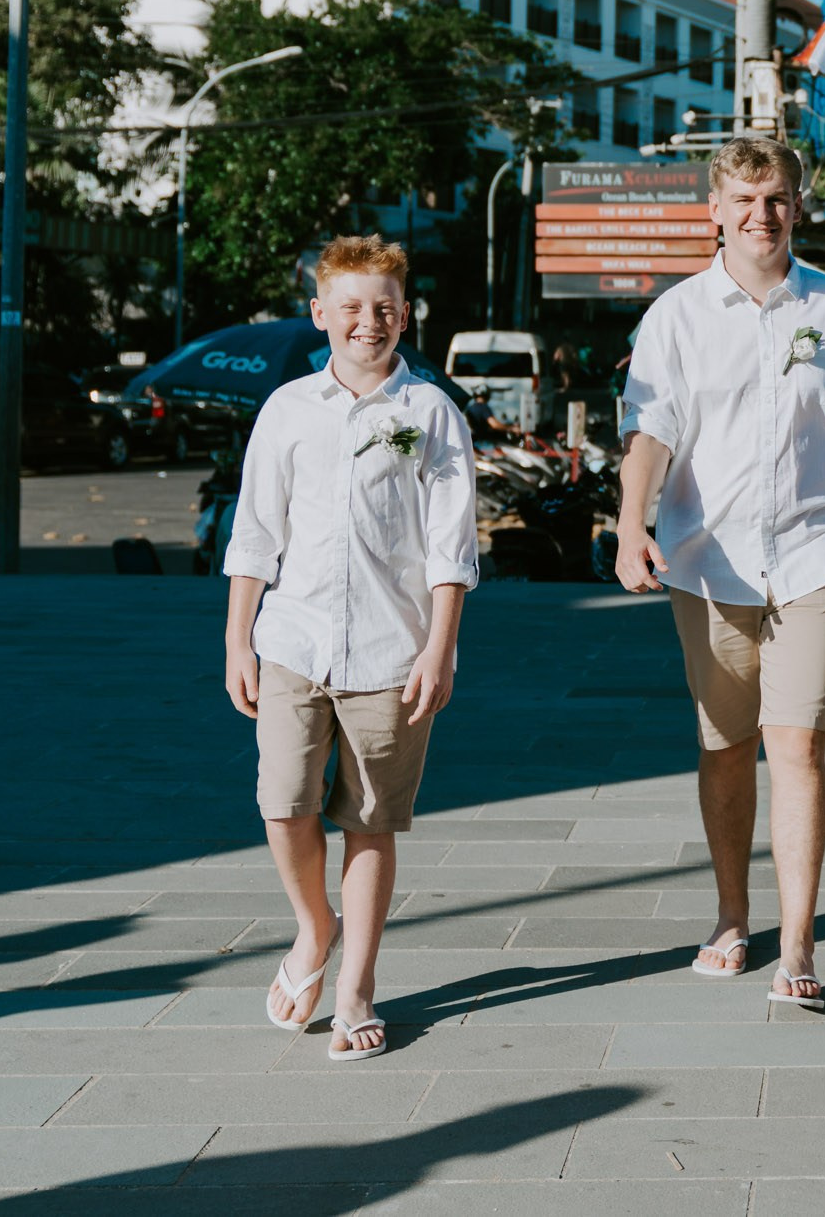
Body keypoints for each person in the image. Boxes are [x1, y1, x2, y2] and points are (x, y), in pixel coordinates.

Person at [616, 136, 825, 1009]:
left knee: (798, 743)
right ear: (714, 210)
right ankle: (731, 913)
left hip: (816, 552)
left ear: (797, 206)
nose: (763, 214)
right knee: (724, 746)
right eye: (746, 200)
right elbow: (651, 432)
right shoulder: (676, 315)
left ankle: (797, 941)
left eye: (778, 197)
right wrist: (632, 524)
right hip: (706, 561)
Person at [222, 235, 478, 1062]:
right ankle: (314, 926)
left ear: (406, 314)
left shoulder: (431, 413)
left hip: (390, 654)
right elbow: (255, 534)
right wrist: (237, 639)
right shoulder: (287, 410)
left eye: (385, 307)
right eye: (352, 307)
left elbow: (451, 549)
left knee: (370, 822)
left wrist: (438, 649)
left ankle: (357, 989)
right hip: (292, 642)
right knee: (282, 802)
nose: (369, 321)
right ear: (320, 313)